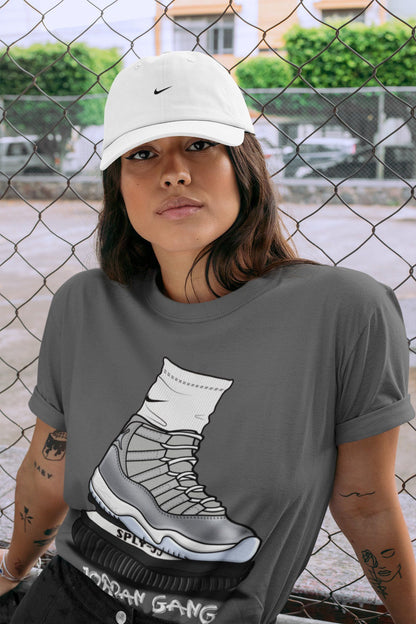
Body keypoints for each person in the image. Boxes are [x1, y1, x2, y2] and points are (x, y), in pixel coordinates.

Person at [0, 50, 415, 624]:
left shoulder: (346, 311)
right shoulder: (85, 303)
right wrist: (10, 573)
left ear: (245, 164)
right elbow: (47, 469)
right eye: (142, 153)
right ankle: (145, 456)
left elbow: (365, 503)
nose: (173, 172)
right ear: (119, 186)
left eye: (199, 144)